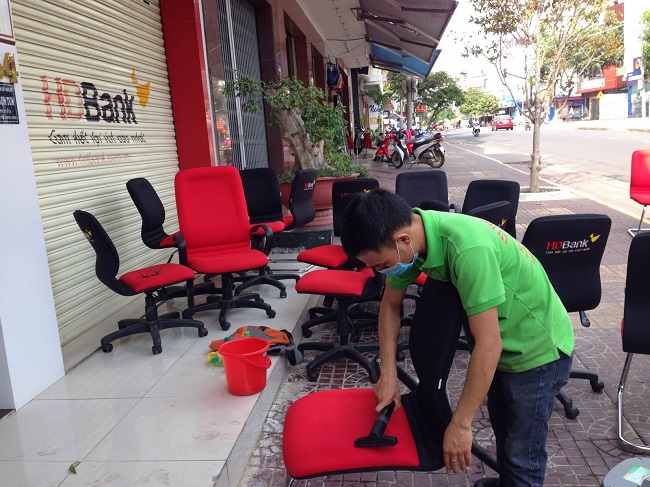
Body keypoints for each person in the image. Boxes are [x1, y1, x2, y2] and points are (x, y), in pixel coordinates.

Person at [340, 189, 574, 487]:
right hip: (500, 342)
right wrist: (388, 372)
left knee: (522, 454)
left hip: (537, 349)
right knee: (504, 431)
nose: (382, 272)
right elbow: (390, 304)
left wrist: (462, 424)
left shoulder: (467, 249)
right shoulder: (413, 238)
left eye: (383, 265)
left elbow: (489, 345)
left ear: (403, 240)